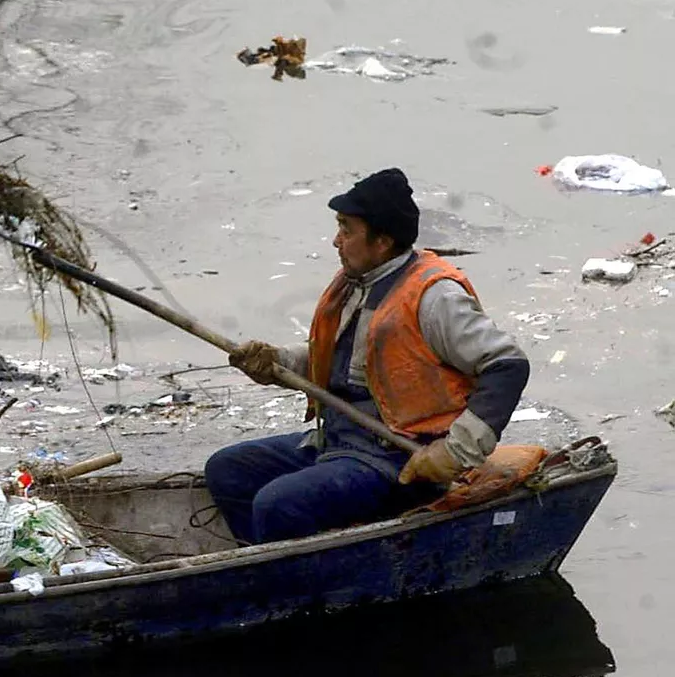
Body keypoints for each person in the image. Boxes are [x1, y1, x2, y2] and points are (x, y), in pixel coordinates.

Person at [203, 169, 530, 545]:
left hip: (400, 458)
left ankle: (303, 585)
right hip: (342, 440)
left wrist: (455, 451)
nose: (335, 240)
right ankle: (269, 566)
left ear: (383, 241)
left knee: (278, 505)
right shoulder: (357, 283)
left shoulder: (434, 298)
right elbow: (347, 368)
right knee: (227, 471)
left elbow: (507, 366)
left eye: (346, 229)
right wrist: (275, 362)